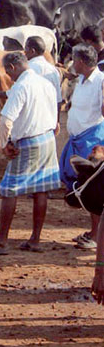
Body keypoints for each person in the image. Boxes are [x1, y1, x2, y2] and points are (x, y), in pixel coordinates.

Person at [0, 51, 61, 255]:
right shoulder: (45, 83)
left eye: (7, 72)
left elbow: (5, 120)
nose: (8, 77)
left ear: (12, 68)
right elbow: (55, 113)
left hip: (28, 142)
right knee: (41, 189)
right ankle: (35, 239)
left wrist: (4, 144)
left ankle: (2, 242)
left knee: (9, 189)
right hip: (47, 138)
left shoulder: (21, 86)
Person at [59, 44, 104, 251]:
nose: (72, 64)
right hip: (78, 139)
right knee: (83, 187)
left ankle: (96, 235)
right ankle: (93, 232)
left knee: (94, 189)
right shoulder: (82, 81)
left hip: (93, 142)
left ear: (82, 62)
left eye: (75, 60)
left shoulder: (101, 81)